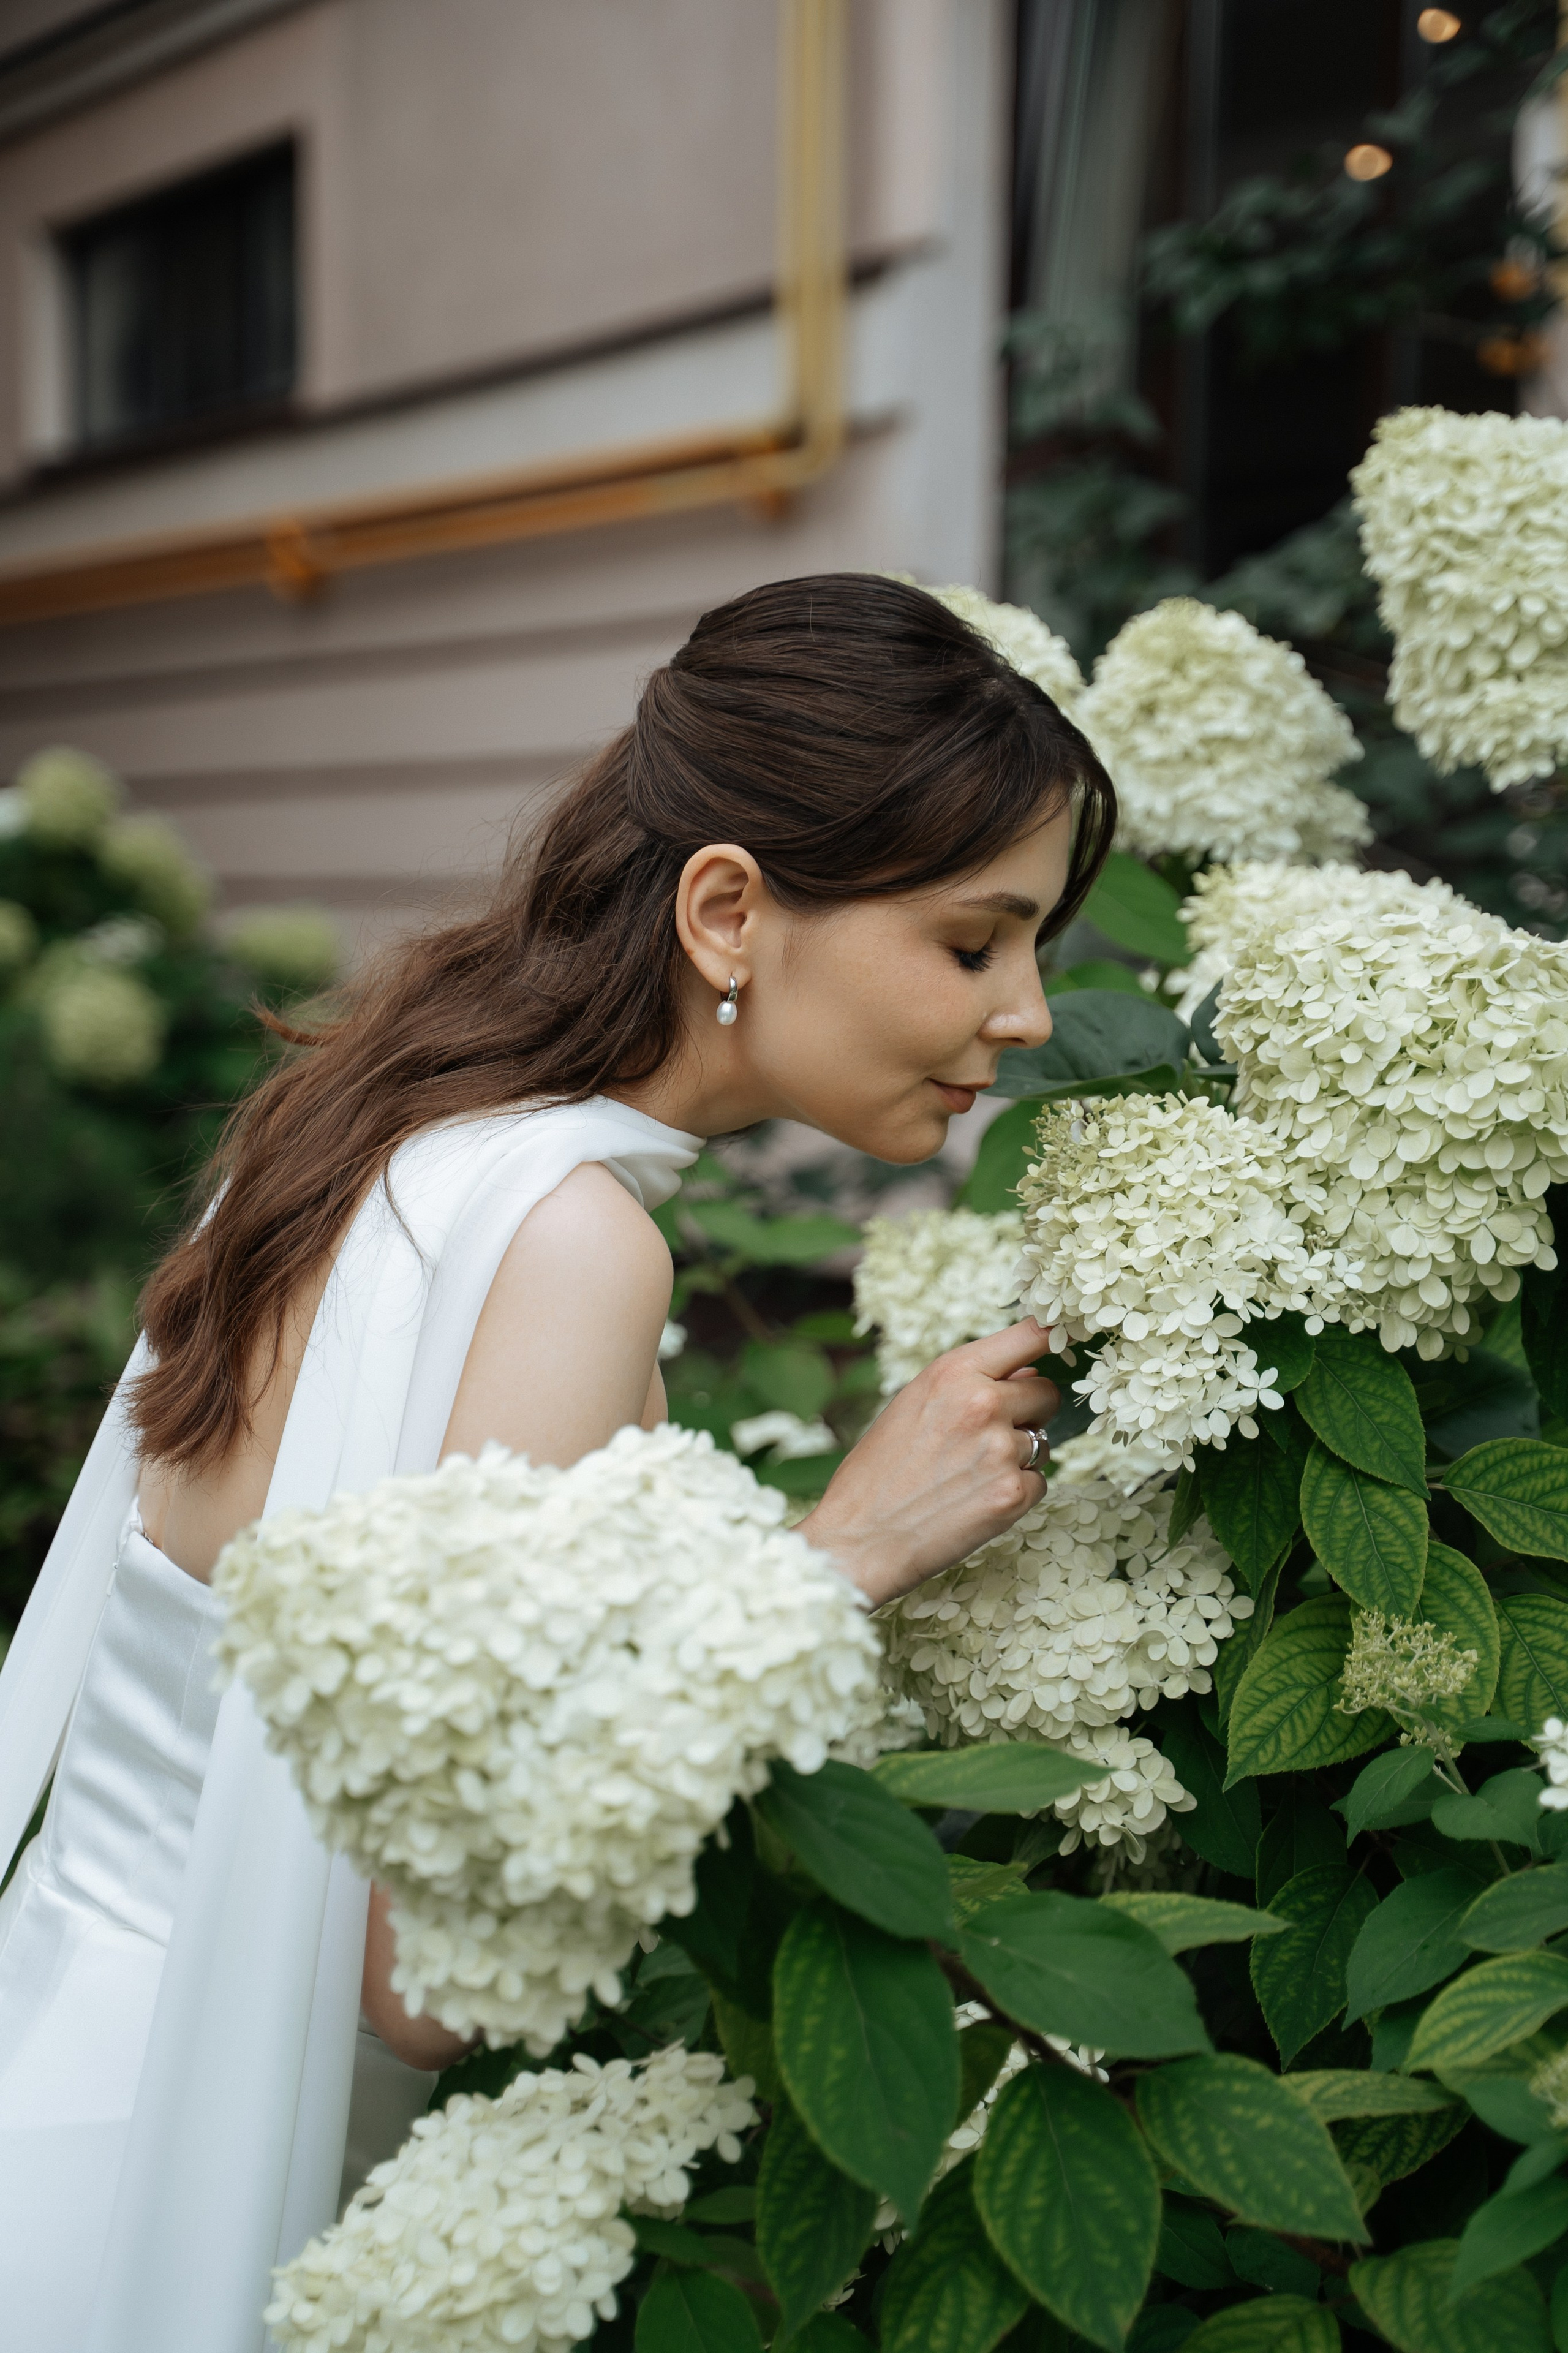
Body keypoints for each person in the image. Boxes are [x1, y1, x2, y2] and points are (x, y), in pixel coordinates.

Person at [0, 573, 1114, 2351]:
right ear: (731, 910)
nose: (1031, 1011)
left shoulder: (379, 1134)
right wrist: (840, 1556)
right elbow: (420, 1975)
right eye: (975, 942)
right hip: (157, 2209)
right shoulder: (569, 1243)